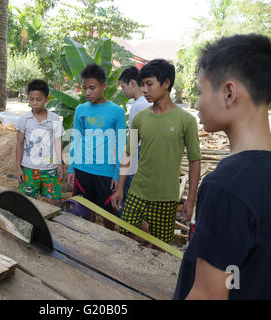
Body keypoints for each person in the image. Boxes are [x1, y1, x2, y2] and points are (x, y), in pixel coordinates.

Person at [173, 34, 271, 300]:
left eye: (200, 92)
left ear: (229, 92)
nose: (197, 104)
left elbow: (208, 295)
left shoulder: (227, 187)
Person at [111, 59, 201, 248]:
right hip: (137, 191)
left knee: (162, 247)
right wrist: (120, 188)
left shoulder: (186, 120)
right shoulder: (140, 118)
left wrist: (191, 199)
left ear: (166, 83)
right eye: (143, 85)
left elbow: (194, 160)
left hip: (166, 197)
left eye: (150, 84)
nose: (145, 90)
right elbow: (128, 153)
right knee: (125, 234)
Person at [67, 63, 126, 230]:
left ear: (104, 86)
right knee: (85, 212)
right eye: (84, 88)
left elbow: (121, 146)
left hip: (106, 173)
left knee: (108, 214)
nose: (87, 92)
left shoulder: (117, 112)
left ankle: (107, 242)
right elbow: (76, 138)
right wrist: (72, 168)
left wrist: (116, 174)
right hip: (82, 169)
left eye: (92, 88)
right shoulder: (81, 109)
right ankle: (88, 240)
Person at [16, 79, 64, 207]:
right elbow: (19, 144)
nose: (34, 103)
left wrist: (60, 164)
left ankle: (55, 225)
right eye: (31, 99)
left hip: (50, 169)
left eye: (39, 99)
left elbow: (58, 142)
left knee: (56, 201)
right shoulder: (24, 119)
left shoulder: (54, 119)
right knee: (26, 201)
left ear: (46, 99)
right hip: (29, 168)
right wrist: (18, 168)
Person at [117, 66, 151, 218]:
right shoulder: (149, 103)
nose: (122, 91)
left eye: (123, 87)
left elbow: (133, 141)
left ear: (132, 83)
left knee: (128, 201)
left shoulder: (138, 106)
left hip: (138, 158)